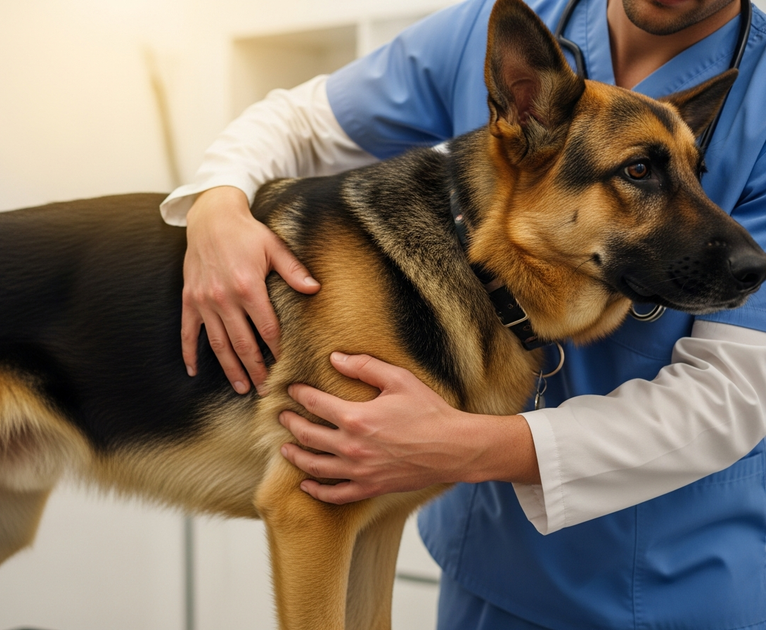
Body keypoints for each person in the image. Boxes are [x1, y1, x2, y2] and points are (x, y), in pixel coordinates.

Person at [162, 0, 766, 625]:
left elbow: (732, 393)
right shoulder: (505, 22)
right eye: (639, 170)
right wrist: (218, 202)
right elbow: (301, 120)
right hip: (486, 572)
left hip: (668, 588)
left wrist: (464, 446)